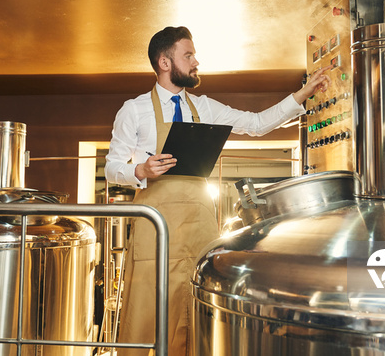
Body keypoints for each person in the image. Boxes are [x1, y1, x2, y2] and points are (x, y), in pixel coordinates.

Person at [104, 26, 332, 356]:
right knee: (146, 313)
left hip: (199, 226)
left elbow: (256, 124)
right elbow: (113, 167)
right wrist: (141, 169)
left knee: (196, 311)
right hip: (156, 226)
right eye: (188, 55)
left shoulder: (205, 107)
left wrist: (303, 94)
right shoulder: (134, 109)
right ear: (165, 62)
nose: (196, 61)